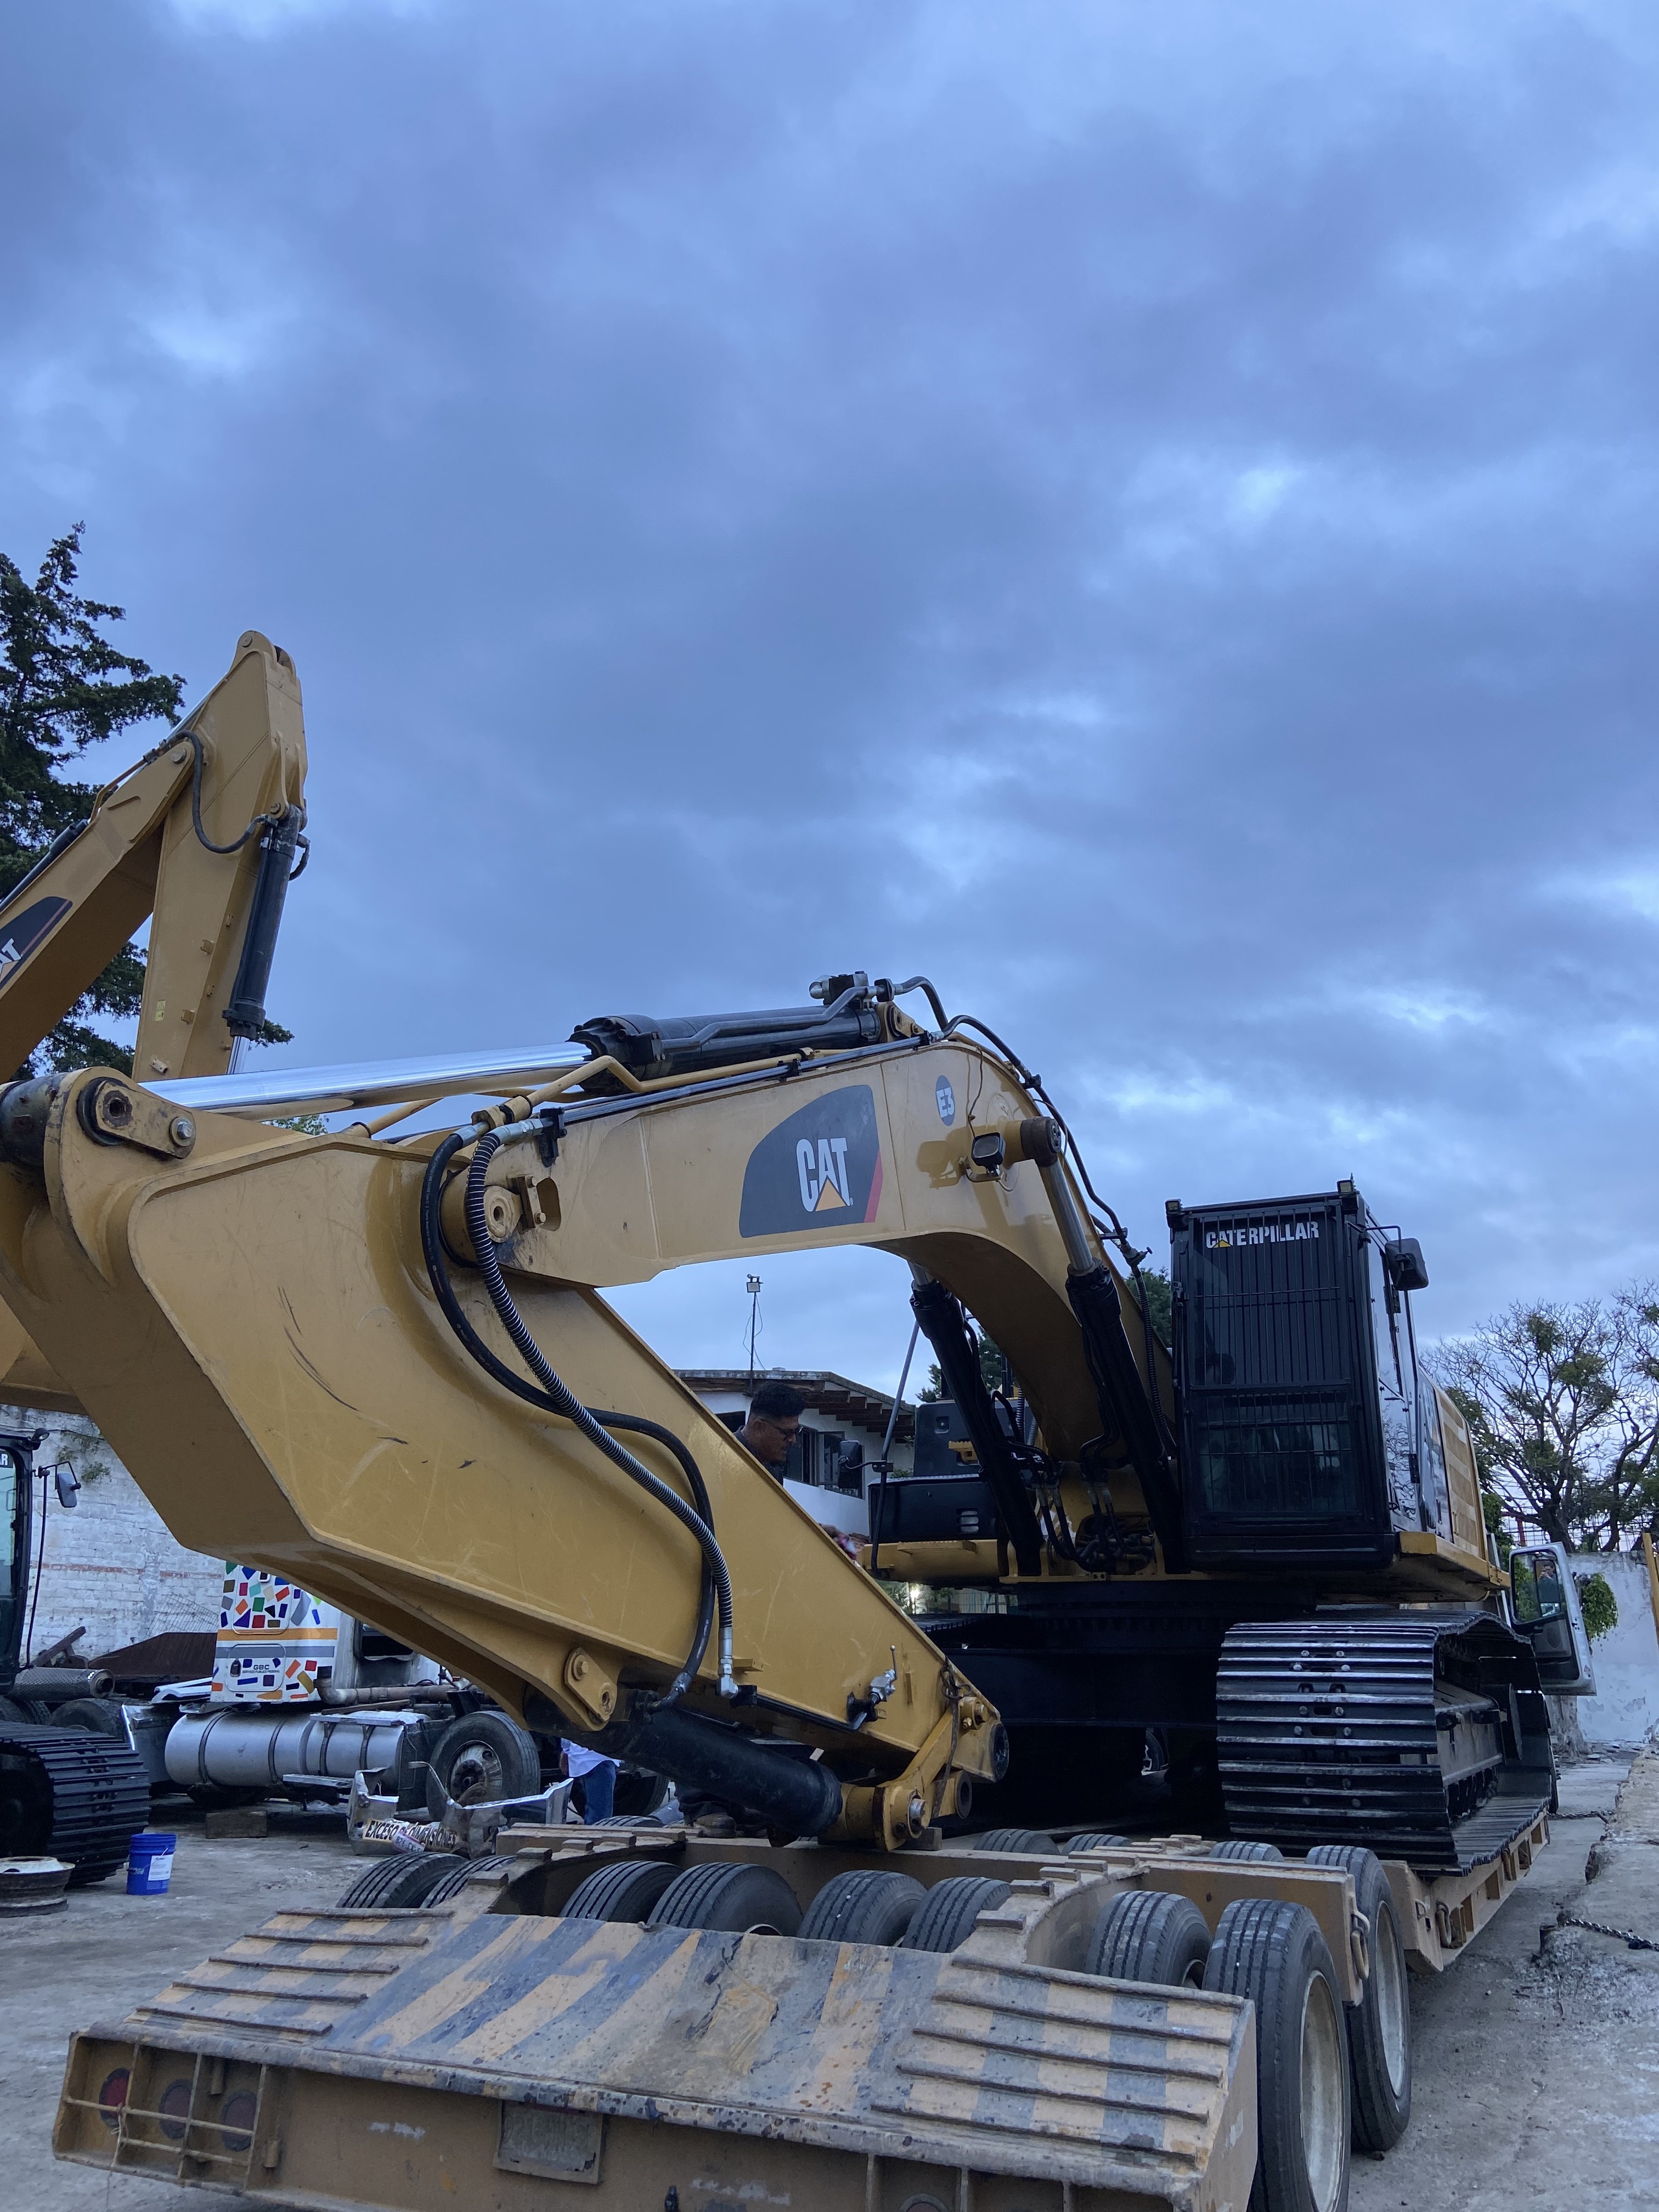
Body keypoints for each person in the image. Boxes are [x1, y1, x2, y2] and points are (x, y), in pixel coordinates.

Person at [738, 1381, 805, 1477]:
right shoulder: (724, 1459)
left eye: (796, 1431)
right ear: (759, 1427)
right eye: (787, 1433)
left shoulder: (774, 1472)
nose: (793, 1440)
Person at [562, 1739, 617, 1824]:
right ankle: (595, 1835)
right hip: (599, 1760)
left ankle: (591, 1833)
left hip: (582, 1759)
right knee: (600, 1818)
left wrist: (567, 1751)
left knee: (593, 1812)